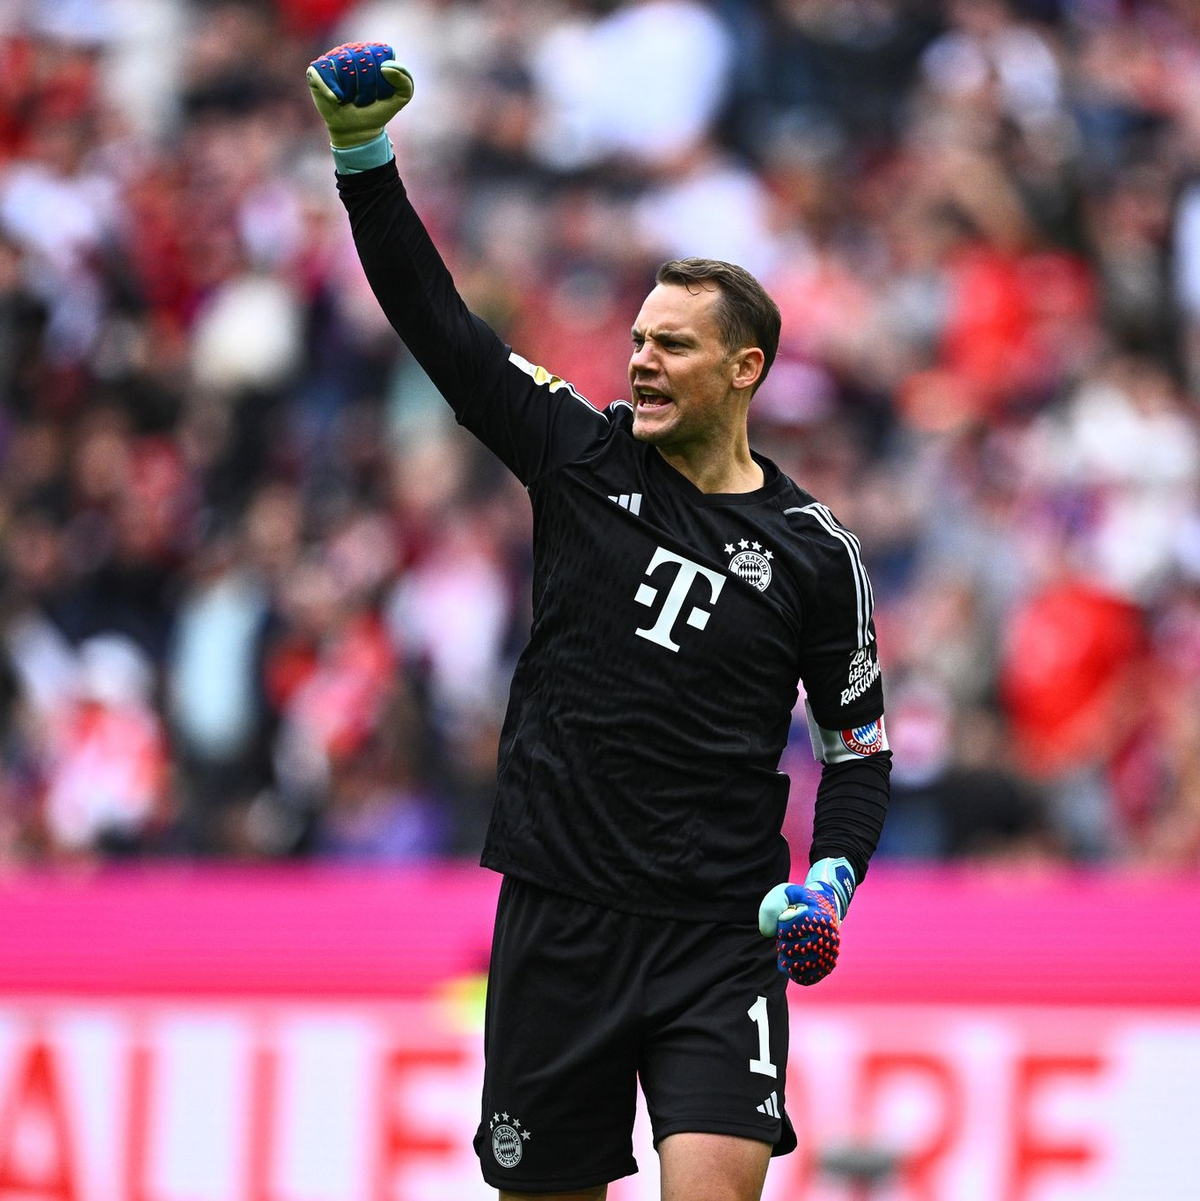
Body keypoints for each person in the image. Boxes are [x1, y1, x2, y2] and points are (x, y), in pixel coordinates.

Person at [306, 41, 890, 1201]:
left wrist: (829, 880)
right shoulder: (578, 453)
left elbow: (858, 750)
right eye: (636, 339)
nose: (641, 361)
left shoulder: (817, 554)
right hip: (558, 914)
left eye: (672, 344)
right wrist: (363, 158)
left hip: (721, 930)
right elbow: (443, 331)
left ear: (745, 368)